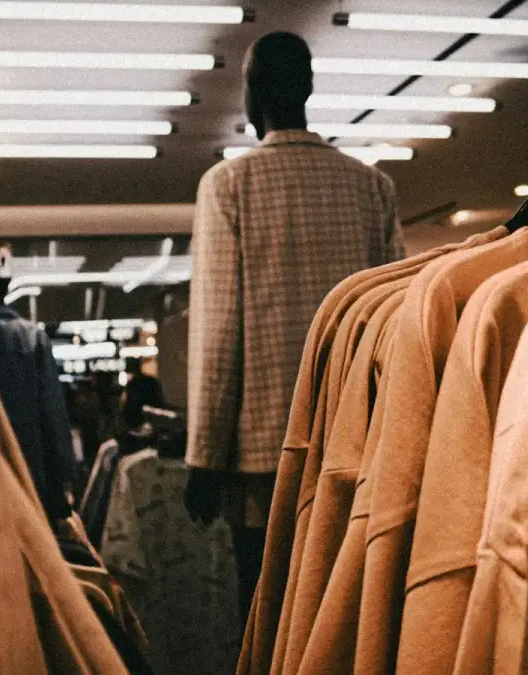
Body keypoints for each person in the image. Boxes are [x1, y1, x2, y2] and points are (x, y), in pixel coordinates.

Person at [183, 31, 406, 624]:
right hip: (357, 440)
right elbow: (395, 324)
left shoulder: (227, 185)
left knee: (267, 612)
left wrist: (205, 456)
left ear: (251, 95)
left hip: (263, 460)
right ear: (309, 87)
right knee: (345, 614)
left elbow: (219, 330)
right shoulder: (372, 187)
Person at [0, 253, 79, 522]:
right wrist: (63, 474)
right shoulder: (32, 337)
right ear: (7, 287)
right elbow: (52, 411)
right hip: (30, 465)